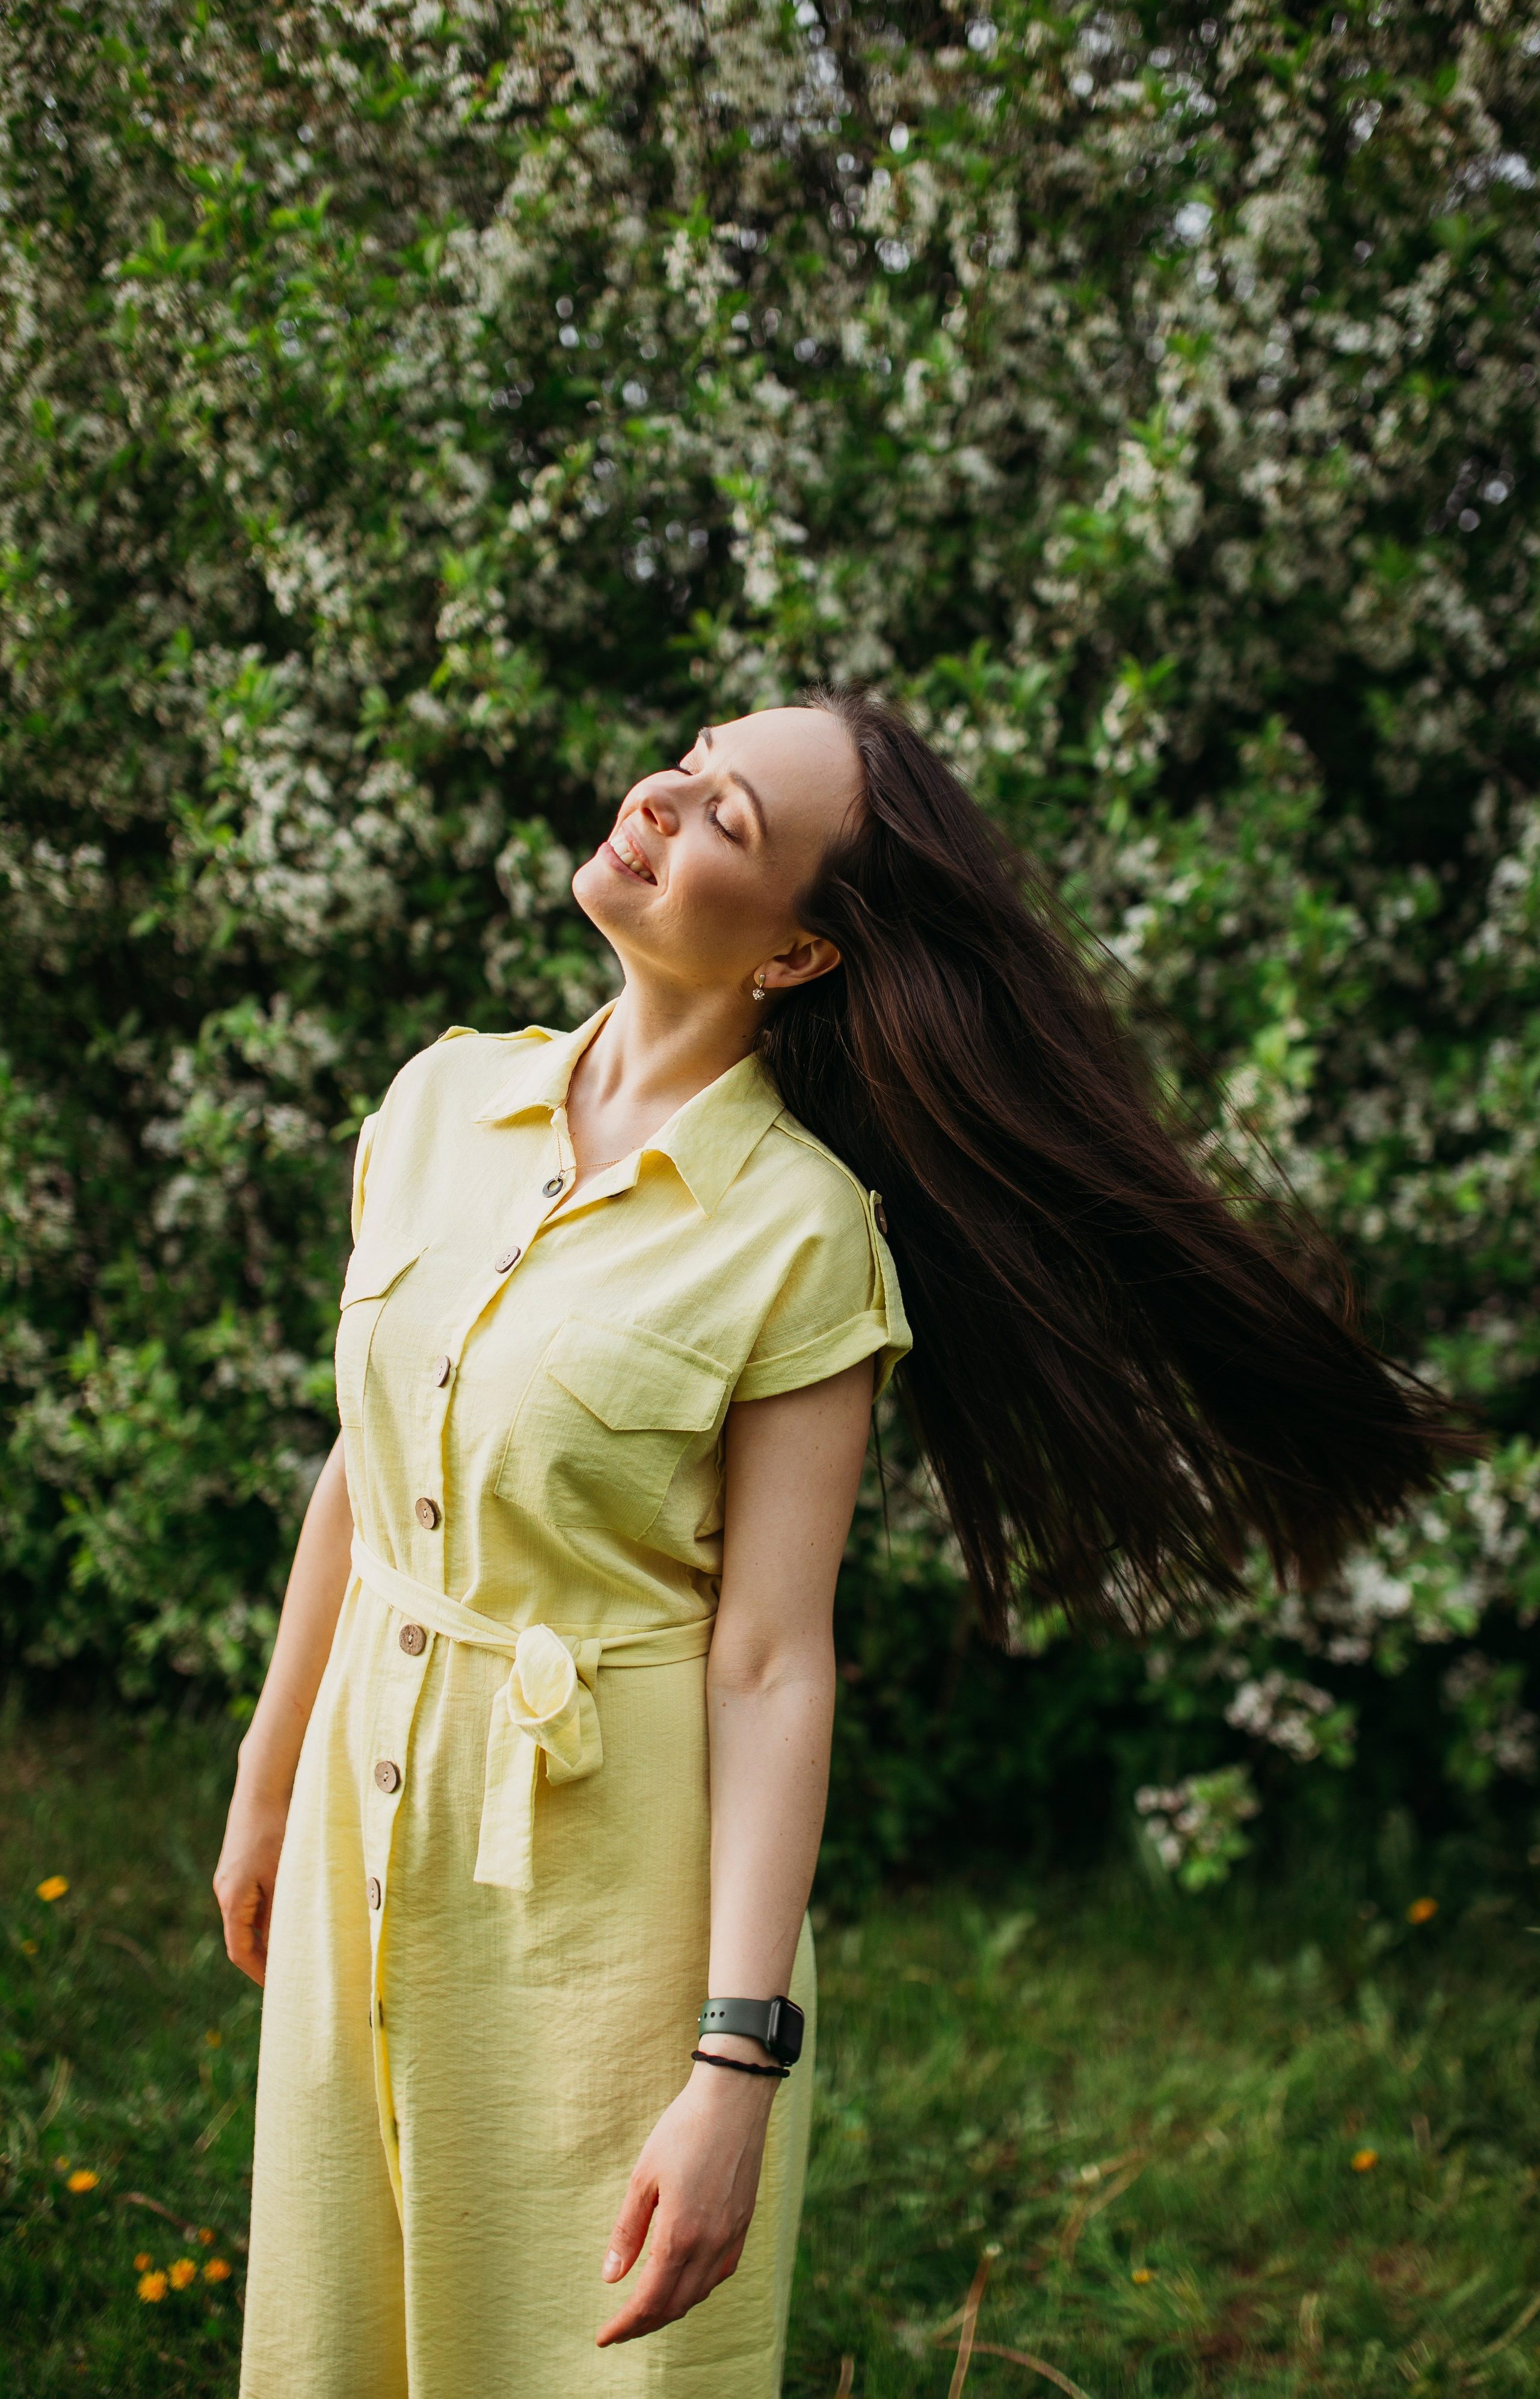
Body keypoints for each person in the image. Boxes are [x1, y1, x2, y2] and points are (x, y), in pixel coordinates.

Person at [216, 688, 1471, 2398]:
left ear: (799, 953)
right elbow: (365, 1468)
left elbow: (768, 1660)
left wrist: (735, 2064)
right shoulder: (441, 1099)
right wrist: (268, 1772)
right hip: (369, 1829)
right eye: (689, 761)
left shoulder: (801, 1235)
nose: (660, 798)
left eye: (727, 817)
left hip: (610, 1905)